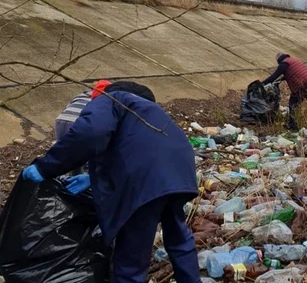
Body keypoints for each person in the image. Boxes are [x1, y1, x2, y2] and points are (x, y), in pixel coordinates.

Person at [22, 81, 201, 283]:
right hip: (179, 173)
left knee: (131, 257)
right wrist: (92, 177)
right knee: (178, 237)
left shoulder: (109, 99)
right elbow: (139, 147)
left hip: (144, 182)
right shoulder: (151, 111)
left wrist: (46, 166)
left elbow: (91, 133)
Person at [54, 79, 112, 175]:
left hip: (61, 120)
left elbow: (68, 106)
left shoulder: (81, 95)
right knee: (84, 154)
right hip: (79, 122)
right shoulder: (103, 100)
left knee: (66, 151)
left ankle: (63, 175)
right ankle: (81, 178)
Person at [262, 53, 307, 131]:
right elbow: (294, 72)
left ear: (279, 60)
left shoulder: (284, 64)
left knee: (293, 105)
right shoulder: (293, 60)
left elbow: (274, 76)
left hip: (301, 85)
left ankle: (293, 126)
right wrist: (282, 79)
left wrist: (262, 84)